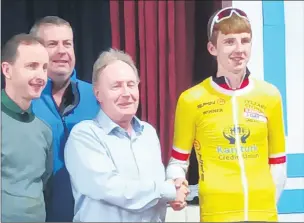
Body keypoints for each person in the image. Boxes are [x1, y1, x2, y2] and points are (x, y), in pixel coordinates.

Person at [166, 6, 287, 222]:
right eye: (229, 41)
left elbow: (278, 162)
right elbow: (178, 162)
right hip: (217, 214)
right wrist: (177, 182)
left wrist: (265, 207)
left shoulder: (270, 95)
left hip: (264, 214)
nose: (239, 49)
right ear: (212, 48)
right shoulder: (192, 99)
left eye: (245, 40)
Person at [64, 48, 189, 222]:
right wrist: (167, 191)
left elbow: (152, 193)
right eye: (116, 86)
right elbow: (111, 188)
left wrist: (173, 195)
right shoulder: (85, 135)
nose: (126, 93)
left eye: (131, 85)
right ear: (98, 94)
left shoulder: (148, 133)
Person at [29, 16, 100, 221]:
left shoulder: (98, 97)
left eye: (67, 43)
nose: (62, 51)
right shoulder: (21, 100)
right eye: (52, 44)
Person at [1, 33, 53, 222]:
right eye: (32, 66)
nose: (40, 76)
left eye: (44, 68)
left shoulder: (44, 131)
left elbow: (44, 182)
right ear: (7, 70)